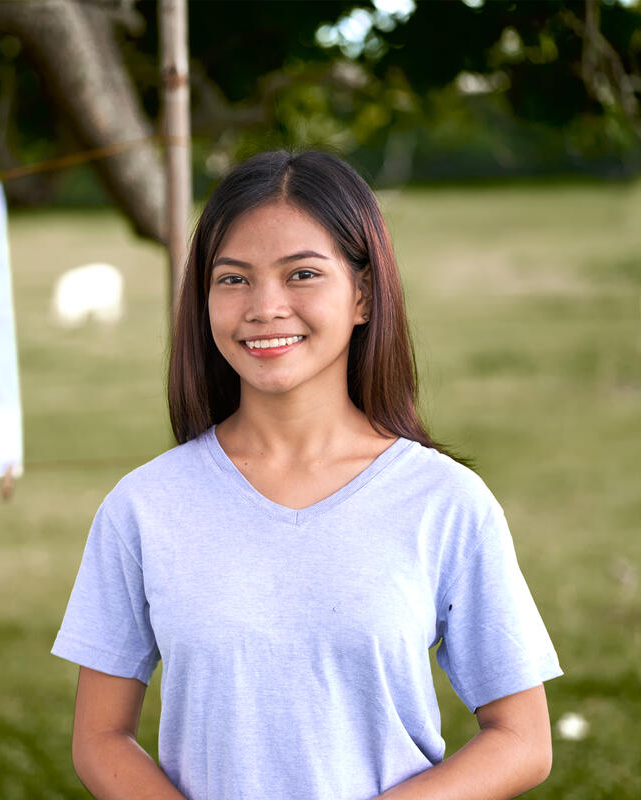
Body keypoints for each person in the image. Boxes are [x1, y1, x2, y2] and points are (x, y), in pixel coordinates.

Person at [51, 150, 563, 800]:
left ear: (363, 295)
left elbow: (522, 739)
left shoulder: (447, 503)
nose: (265, 306)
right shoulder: (144, 506)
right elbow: (100, 738)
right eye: (233, 279)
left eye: (302, 274)